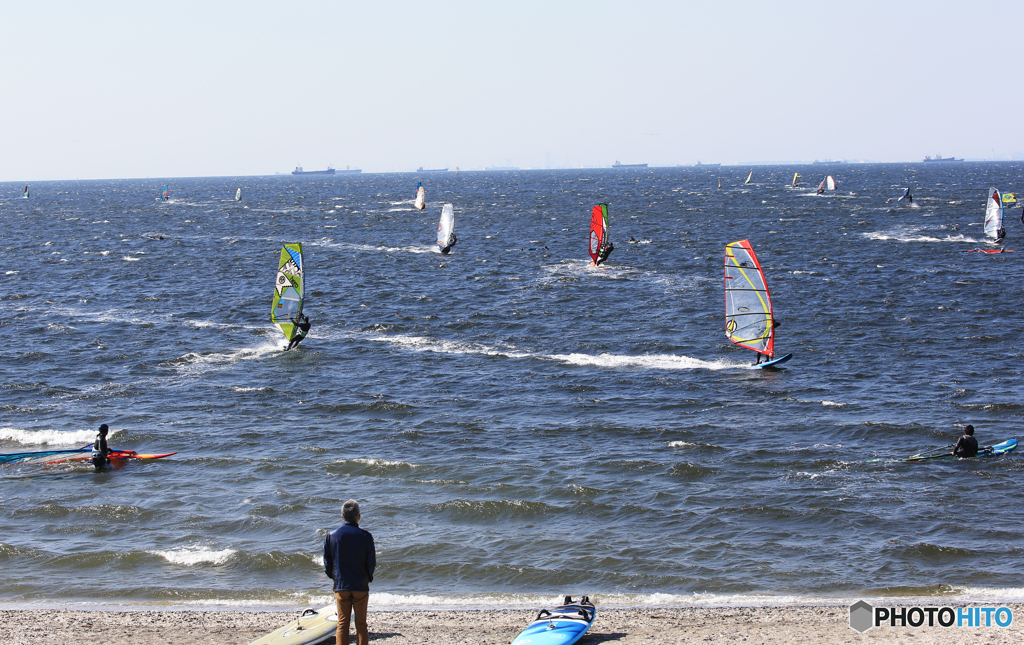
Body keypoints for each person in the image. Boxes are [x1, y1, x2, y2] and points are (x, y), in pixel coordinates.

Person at [324, 499, 375, 645]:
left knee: (342, 624)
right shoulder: (365, 536)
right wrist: (368, 577)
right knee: (361, 624)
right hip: (360, 584)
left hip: (341, 584)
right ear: (359, 517)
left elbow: (327, 561)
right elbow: (371, 562)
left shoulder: (331, 535)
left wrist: (334, 577)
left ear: (342, 517)